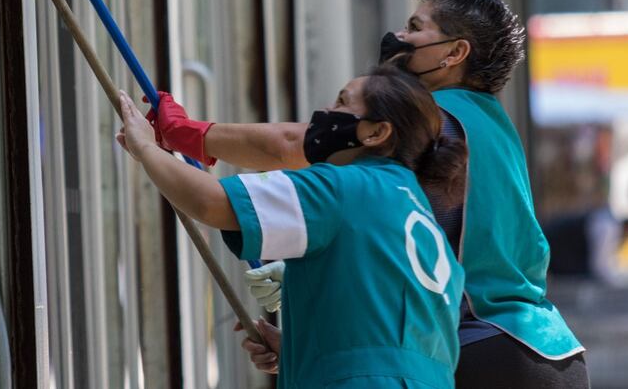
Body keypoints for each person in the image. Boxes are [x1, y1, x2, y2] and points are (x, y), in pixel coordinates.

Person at [149, 0, 590, 388]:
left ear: (454, 53)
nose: (399, 37)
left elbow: (290, 146)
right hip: (549, 352)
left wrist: (190, 134)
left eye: (416, 28)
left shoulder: (431, 119)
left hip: (484, 348)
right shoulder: (493, 127)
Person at [119, 62, 467, 388]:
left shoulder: (345, 187)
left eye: (342, 102)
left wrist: (146, 148)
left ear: (376, 132)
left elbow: (210, 202)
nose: (326, 113)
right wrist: (301, 351)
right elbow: (387, 336)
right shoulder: (415, 211)